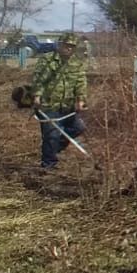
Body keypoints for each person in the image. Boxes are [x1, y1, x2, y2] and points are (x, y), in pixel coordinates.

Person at [30, 32, 89, 170]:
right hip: (49, 106)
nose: (69, 48)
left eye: (72, 46)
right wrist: (37, 96)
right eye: (66, 45)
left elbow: (81, 82)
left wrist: (81, 99)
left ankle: (53, 149)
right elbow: (38, 79)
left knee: (78, 127)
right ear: (60, 45)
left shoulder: (76, 63)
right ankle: (48, 166)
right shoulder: (48, 60)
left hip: (67, 106)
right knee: (52, 135)